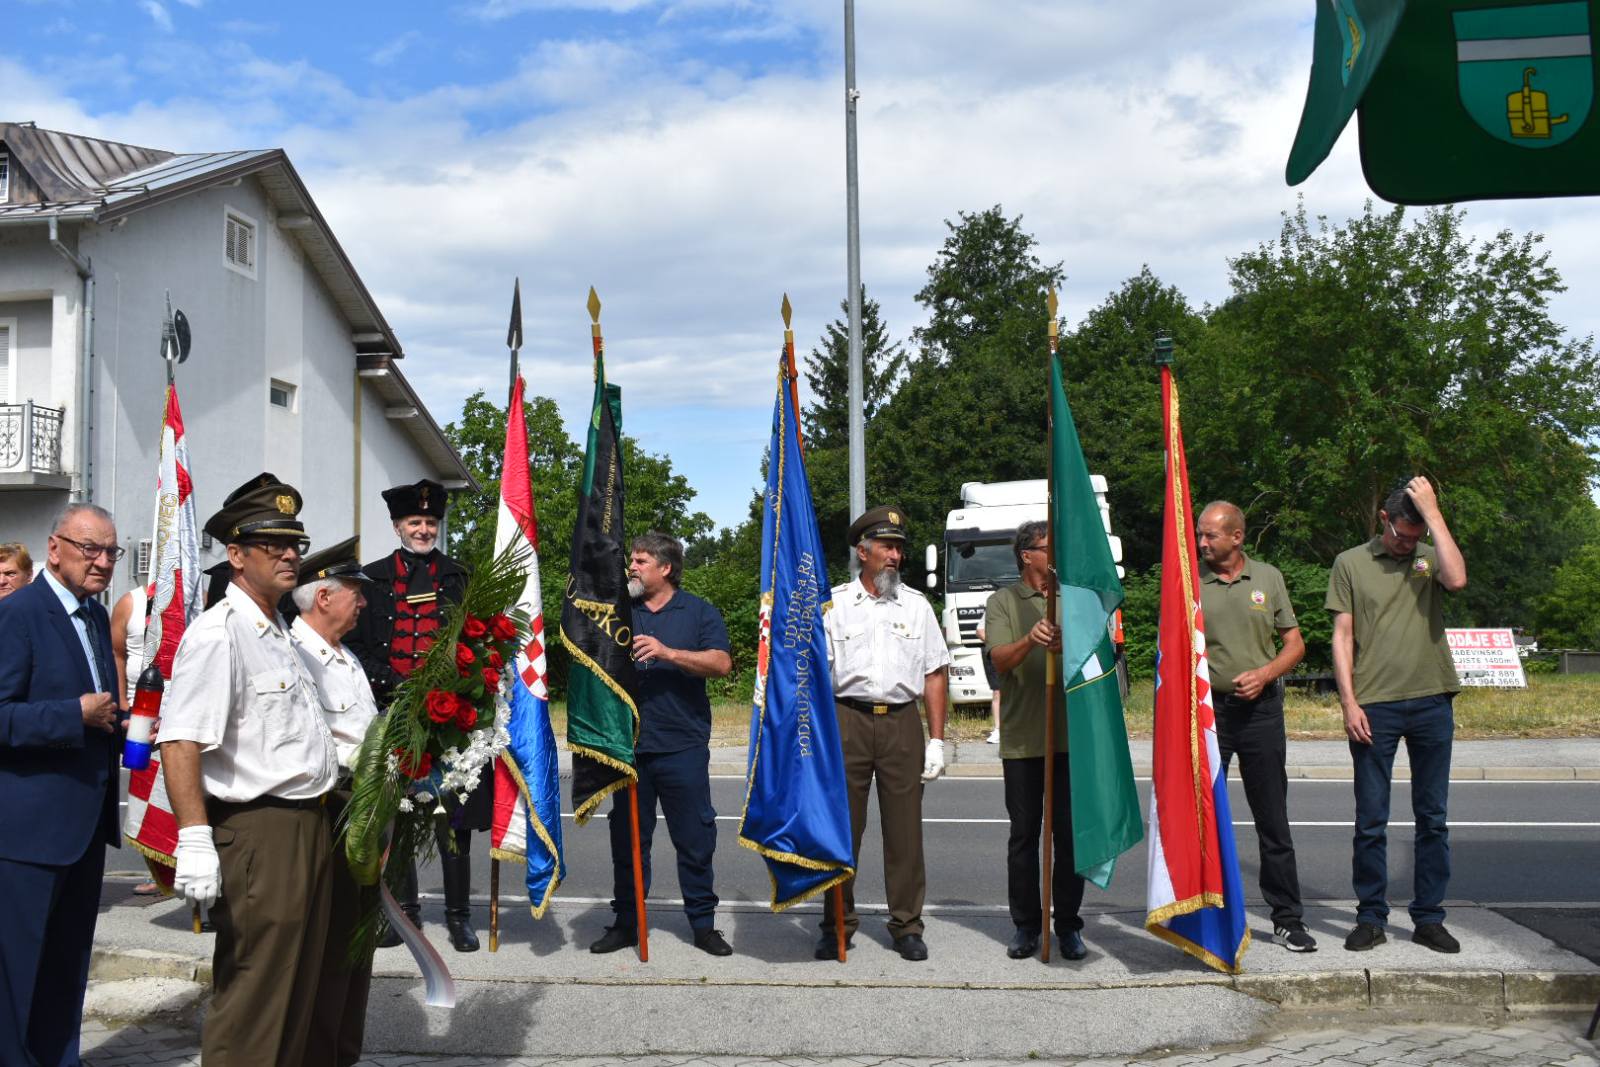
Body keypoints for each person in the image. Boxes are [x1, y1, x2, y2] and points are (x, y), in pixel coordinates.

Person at [158, 473, 340, 1066]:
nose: (291, 555)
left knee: (299, 993)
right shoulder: (220, 632)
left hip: (308, 825)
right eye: (274, 545)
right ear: (236, 555)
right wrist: (192, 838)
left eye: (296, 544)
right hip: (262, 830)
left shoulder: (278, 628)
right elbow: (181, 739)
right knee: (257, 997)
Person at [0, 504, 123, 1066]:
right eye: (89, 549)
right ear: (54, 548)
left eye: (111, 553)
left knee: (67, 965)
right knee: (16, 973)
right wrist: (71, 714)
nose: (101, 563)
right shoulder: (19, 614)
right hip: (26, 833)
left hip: (84, 823)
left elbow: (94, 705)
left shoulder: (95, 616)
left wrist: (122, 723)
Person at [1326, 476, 1467, 955]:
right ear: (1383, 520)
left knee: (1433, 818)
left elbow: (1458, 579)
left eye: (1416, 534)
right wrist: (1348, 701)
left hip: (1432, 700)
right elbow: (1342, 636)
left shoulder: (1430, 557)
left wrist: (1434, 514)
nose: (1409, 544)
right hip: (1374, 705)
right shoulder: (1350, 562)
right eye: (1401, 534)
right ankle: (1371, 917)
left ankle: (1429, 917)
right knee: (1371, 820)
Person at [345, 478, 484, 952]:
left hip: (450, 716)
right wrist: (398, 685)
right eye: (414, 522)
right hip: (391, 713)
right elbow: (355, 645)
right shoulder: (371, 577)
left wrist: (452, 689)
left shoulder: (460, 577)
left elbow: (478, 642)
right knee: (398, 816)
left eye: (429, 522)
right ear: (397, 525)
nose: (423, 529)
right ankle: (404, 915)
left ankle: (460, 917)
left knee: (453, 822)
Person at [590, 532, 735, 957]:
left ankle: (704, 925)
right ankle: (627, 923)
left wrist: (669, 653)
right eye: (630, 561)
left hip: (682, 744)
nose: (631, 568)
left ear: (665, 568)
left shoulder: (698, 611)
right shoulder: (620, 611)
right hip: (628, 747)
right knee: (629, 840)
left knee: (694, 837)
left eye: (639, 561)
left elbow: (722, 663)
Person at [820, 506, 950, 961]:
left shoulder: (916, 606)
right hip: (846, 720)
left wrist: (935, 738)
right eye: (887, 547)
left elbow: (935, 672)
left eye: (899, 548)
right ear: (863, 552)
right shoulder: (832, 604)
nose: (895, 555)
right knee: (841, 829)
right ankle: (836, 921)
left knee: (905, 834)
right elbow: (818, 675)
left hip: (900, 722)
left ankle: (907, 926)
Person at [1196, 501, 1315, 953]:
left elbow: (1295, 643)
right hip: (1211, 716)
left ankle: (1287, 919)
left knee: (1272, 820)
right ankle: (1210, 917)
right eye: (1200, 535)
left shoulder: (1268, 578)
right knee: (1206, 819)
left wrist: (1265, 674)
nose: (1203, 543)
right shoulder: (1192, 582)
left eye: (1211, 535)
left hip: (1262, 712)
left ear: (1237, 537)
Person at [289, 537, 379, 1067]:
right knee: (327, 949)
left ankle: (343, 1051)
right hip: (327, 816)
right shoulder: (297, 654)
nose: (363, 603)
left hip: (362, 815)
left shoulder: (344, 657)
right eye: (355, 593)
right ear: (323, 597)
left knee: (355, 945)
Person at [983, 520, 1086, 961]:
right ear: (1027, 554)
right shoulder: (1003, 601)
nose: (1055, 555)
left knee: (1069, 837)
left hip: (1070, 739)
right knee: (1024, 836)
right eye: (1048, 548)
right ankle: (1027, 925)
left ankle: (1068, 926)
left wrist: (1074, 646)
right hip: (1025, 739)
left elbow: (1098, 657)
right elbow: (999, 660)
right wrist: (1032, 639)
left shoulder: (1073, 599)